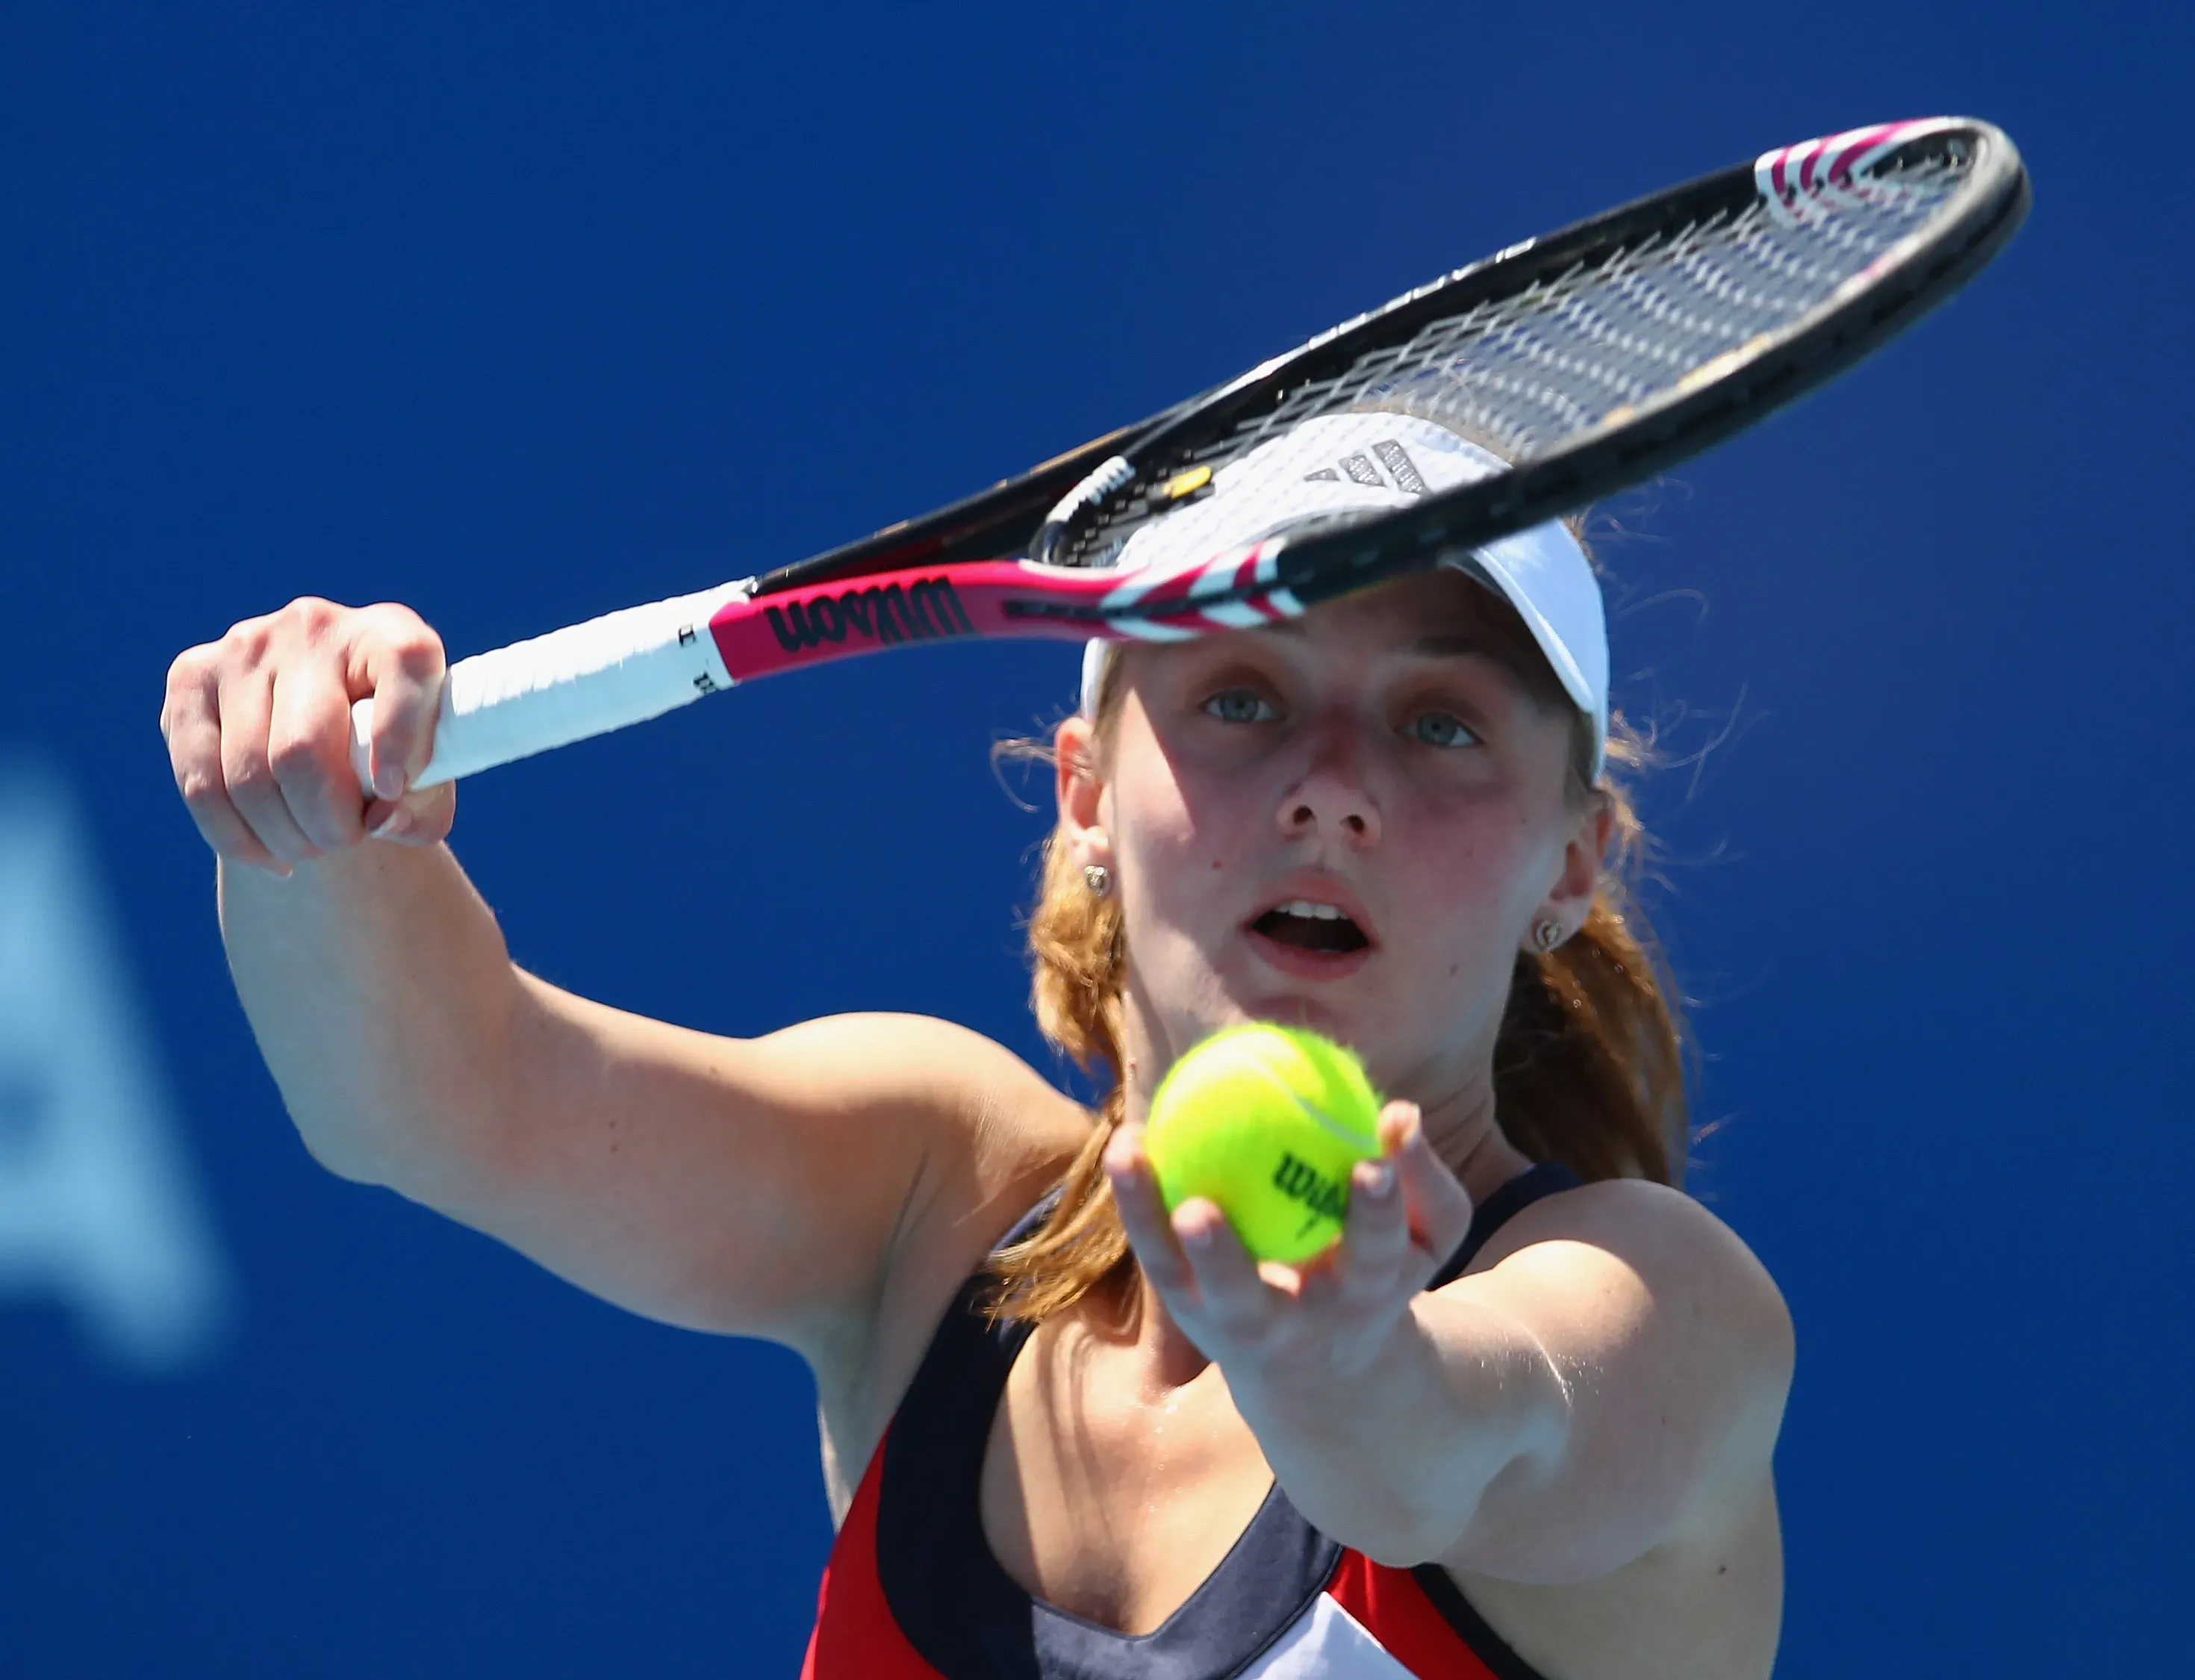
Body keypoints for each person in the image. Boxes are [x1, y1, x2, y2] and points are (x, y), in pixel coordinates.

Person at [161, 410, 1793, 1680]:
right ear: (1087, 792)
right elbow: (438, 1098)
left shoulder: (1665, 1309)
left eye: (1441, 724)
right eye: (1242, 696)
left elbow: (1446, 1453)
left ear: (1571, 863)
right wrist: (313, 822)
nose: (1331, 787)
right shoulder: (929, 1192)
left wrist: (1348, 1360)